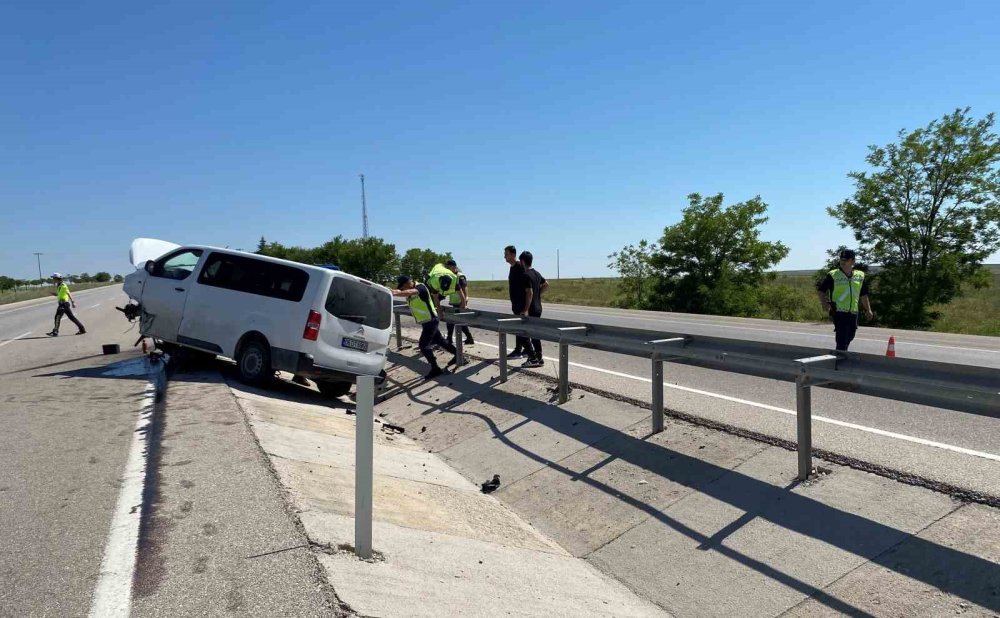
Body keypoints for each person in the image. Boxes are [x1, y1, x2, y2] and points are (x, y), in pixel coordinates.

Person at [391, 275, 457, 379]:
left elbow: (409, 292)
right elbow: (402, 291)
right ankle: (459, 356)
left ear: (409, 282)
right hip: (426, 321)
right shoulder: (408, 288)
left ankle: (435, 368)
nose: (404, 289)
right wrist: (390, 290)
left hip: (431, 320)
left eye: (404, 286)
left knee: (423, 345)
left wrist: (396, 292)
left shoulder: (420, 287)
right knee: (440, 340)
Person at [816, 249, 873, 351]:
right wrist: (824, 304)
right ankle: (839, 362)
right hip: (839, 312)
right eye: (841, 259)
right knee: (842, 339)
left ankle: (840, 355)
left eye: (846, 260)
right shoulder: (833, 275)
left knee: (850, 336)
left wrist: (868, 310)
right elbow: (821, 291)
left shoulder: (860, 276)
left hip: (853, 311)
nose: (843, 262)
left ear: (853, 261)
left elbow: (863, 294)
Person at [519, 251, 548, 368]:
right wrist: (538, 294)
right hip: (538, 307)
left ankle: (532, 358)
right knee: (535, 333)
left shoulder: (526, 275)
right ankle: (539, 357)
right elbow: (546, 284)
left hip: (530, 308)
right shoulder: (537, 273)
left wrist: (525, 309)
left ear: (522, 261)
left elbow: (529, 292)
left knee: (522, 333)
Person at [504, 245, 531, 358]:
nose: (504, 256)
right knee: (519, 328)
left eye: (506, 254)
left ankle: (523, 351)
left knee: (520, 329)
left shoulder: (520, 267)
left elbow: (529, 285)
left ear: (513, 254)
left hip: (521, 304)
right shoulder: (512, 267)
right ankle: (522, 350)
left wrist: (526, 307)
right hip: (515, 303)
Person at [444, 259, 474, 346]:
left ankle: (450, 339)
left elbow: (464, 288)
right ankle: (468, 338)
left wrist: (464, 303)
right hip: (454, 302)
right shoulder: (450, 276)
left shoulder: (460, 276)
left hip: (460, 302)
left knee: (455, 321)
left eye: (448, 267)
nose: (447, 269)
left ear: (454, 267)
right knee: (454, 321)